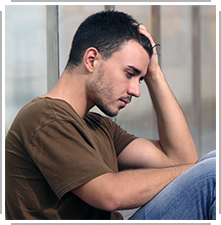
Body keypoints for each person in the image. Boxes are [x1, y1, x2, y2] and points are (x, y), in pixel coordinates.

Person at [5, 10, 216, 220]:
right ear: (91, 59)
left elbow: (181, 159)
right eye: (129, 74)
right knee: (213, 173)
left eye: (140, 79)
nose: (136, 91)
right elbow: (109, 194)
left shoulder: (97, 125)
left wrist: (154, 74)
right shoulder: (44, 118)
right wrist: (195, 171)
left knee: (215, 160)